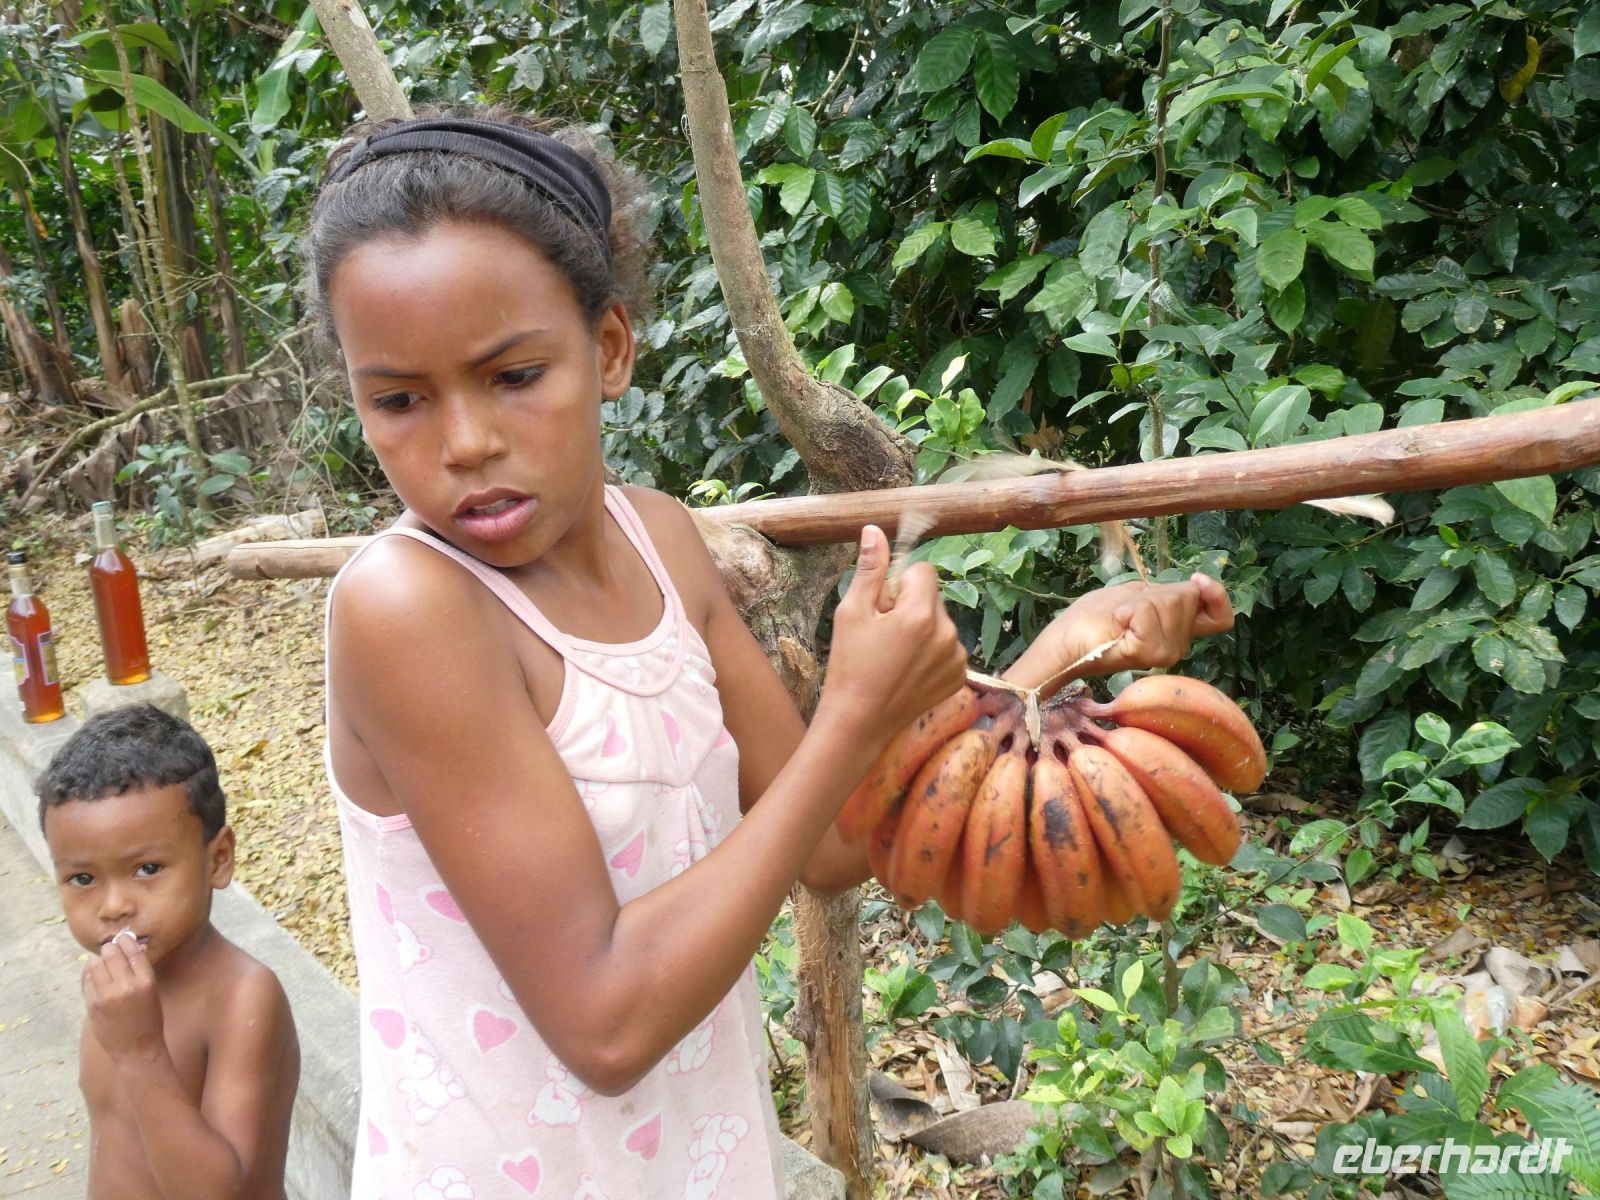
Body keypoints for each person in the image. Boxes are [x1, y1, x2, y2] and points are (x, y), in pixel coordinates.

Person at [304, 103, 1236, 1198]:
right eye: (400, 400)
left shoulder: (656, 541)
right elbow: (604, 1022)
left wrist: (1052, 663)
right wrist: (850, 713)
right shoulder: (409, 607)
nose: (463, 442)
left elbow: (828, 844)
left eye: (514, 376)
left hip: (695, 1160)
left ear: (607, 348)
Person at [36, 703, 300, 1200]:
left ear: (218, 859)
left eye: (148, 868)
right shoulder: (116, 985)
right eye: (83, 879)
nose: (113, 906)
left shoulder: (241, 997)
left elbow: (222, 1193)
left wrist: (140, 1052)